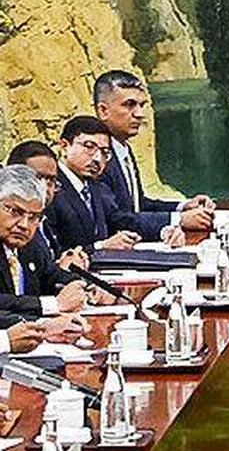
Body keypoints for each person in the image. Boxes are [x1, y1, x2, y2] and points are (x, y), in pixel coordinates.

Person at [94, 70, 215, 233]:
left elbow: (139, 205)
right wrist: (179, 220)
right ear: (103, 111)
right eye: (129, 104)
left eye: (141, 105)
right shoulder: (97, 158)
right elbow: (116, 220)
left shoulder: (123, 150)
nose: (139, 114)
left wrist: (184, 206)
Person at [44, 116, 185, 254]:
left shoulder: (96, 187)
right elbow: (52, 254)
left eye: (104, 152)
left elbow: (121, 221)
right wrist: (101, 246)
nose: (97, 158)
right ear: (64, 146)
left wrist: (165, 231)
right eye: (89, 147)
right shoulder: (50, 188)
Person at [0, 165, 89, 343]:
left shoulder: (30, 246)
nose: (24, 225)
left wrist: (83, 288)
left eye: (34, 217)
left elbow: (52, 275)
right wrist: (50, 309)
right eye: (15, 212)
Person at [8, 139, 92, 269]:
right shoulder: (14, 227)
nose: (45, 187)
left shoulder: (44, 220)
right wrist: (63, 269)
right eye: (37, 178)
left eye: (51, 180)